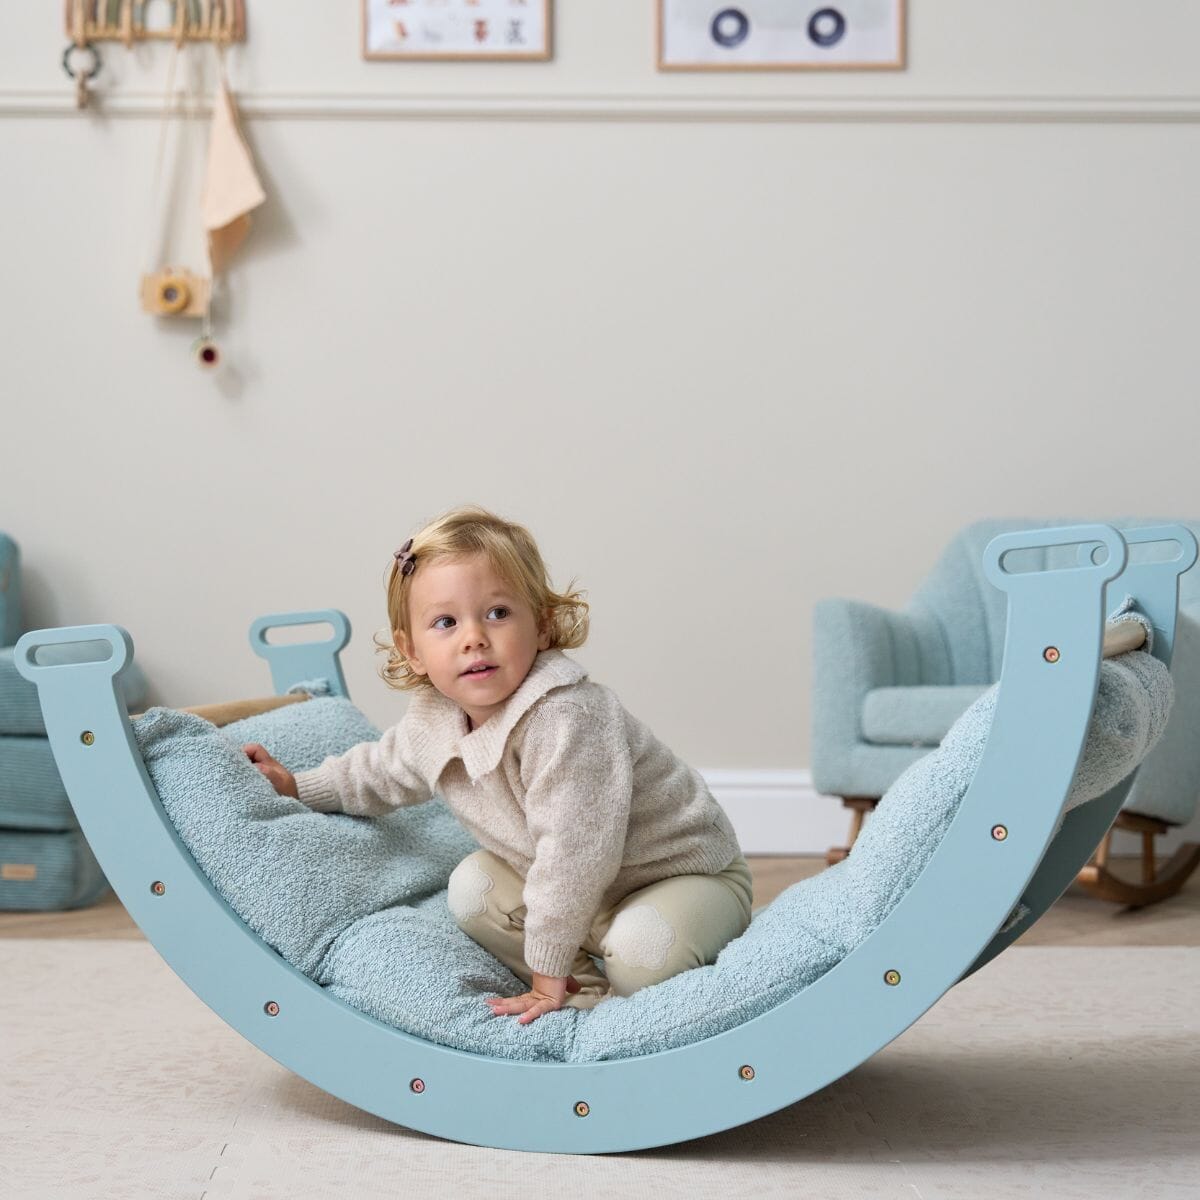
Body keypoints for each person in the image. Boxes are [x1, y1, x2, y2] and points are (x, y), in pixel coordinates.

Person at [244, 504, 752, 1025]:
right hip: (586, 900)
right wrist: (299, 786)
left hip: (682, 877)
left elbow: (577, 853)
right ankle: (585, 993)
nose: (474, 638)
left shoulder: (567, 715)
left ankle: (601, 984)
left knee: (644, 953)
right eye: (445, 622)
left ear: (543, 625)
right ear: (412, 650)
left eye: (498, 613)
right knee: (471, 889)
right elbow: (381, 770)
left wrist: (545, 962)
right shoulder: (436, 718)